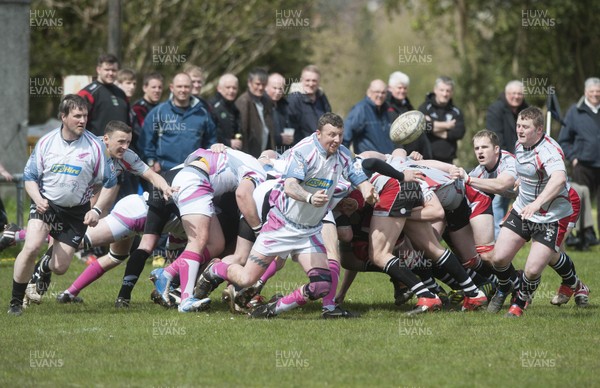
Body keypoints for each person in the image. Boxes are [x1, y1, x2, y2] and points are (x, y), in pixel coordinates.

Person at [196, 113, 379, 319]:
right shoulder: (304, 151)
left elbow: (356, 174)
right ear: (318, 134)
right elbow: (291, 186)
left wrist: (365, 189)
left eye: (340, 135)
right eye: (331, 135)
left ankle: (273, 309)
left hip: (310, 230)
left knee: (321, 285)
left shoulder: (342, 154)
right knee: (247, 278)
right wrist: (309, 198)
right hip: (281, 225)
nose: (336, 140)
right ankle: (217, 269)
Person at [7, 95, 118, 316]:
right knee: (31, 247)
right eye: (77, 116)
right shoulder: (46, 142)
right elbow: (29, 177)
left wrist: (96, 209)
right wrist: (37, 198)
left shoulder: (95, 146)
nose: (82, 120)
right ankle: (15, 303)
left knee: (60, 267)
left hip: (77, 213)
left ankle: (44, 268)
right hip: (46, 206)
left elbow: (110, 183)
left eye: (85, 116)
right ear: (63, 117)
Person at [486, 107, 585, 318]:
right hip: (523, 209)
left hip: (551, 216)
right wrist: (524, 181)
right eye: (518, 125)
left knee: (532, 270)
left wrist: (537, 203)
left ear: (539, 130)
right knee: (499, 258)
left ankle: (519, 304)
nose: (519, 130)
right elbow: (530, 169)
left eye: (525, 127)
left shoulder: (549, 150)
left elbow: (558, 179)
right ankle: (505, 286)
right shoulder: (521, 143)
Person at [151, 146, 266, 312]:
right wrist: (258, 230)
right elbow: (242, 194)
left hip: (190, 178)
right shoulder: (259, 173)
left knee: (216, 244)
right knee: (197, 241)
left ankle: (167, 273)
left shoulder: (241, 157)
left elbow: (196, 156)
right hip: (196, 182)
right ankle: (185, 300)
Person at [139, 73, 217, 173]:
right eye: (179, 86)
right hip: (164, 171)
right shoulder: (158, 112)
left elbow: (211, 141)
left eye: (186, 87)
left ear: (191, 88)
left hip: (195, 170)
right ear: (172, 88)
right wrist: (151, 161)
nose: (183, 90)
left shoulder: (203, 113)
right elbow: (146, 142)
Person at [558, 77, 600, 246]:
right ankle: (585, 237)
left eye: (598, 91)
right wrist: (573, 157)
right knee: (581, 201)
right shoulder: (575, 112)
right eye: (592, 91)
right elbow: (564, 140)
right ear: (585, 92)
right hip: (583, 164)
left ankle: (593, 237)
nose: (596, 94)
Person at [486, 80, 529, 237]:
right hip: (502, 162)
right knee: (499, 200)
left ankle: (521, 235)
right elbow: (495, 138)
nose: (516, 97)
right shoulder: (495, 110)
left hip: (525, 163)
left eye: (519, 94)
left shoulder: (527, 111)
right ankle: (496, 237)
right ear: (506, 94)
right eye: (513, 93)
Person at [78, 54, 130, 137]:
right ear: (98, 70)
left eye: (114, 70)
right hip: (94, 145)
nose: (111, 73)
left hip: (121, 146)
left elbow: (128, 123)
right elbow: (76, 122)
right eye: (107, 70)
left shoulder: (122, 94)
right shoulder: (87, 93)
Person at [418, 76, 465, 164]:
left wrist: (432, 126)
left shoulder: (456, 111)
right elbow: (421, 127)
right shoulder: (425, 107)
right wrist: (447, 125)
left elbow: (459, 132)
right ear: (435, 90)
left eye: (448, 91)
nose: (445, 94)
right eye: (442, 90)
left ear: (452, 93)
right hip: (426, 159)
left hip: (448, 161)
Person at [387, 71, 431, 159]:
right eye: (399, 88)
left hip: (415, 155)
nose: (402, 91)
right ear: (390, 88)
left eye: (405, 88)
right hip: (397, 156)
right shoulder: (384, 106)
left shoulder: (407, 104)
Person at [343, 79, 394, 154]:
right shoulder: (360, 109)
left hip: (387, 161)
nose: (380, 95)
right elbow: (346, 136)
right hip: (369, 163)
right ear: (369, 93)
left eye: (383, 92)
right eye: (377, 92)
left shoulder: (387, 110)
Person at [235, 68, 276, 157]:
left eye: (263, 84)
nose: (260, 87)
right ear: (249, 83)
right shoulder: (243, 101)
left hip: (265, 153)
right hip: (249, 155)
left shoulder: (266, 101)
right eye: (257, 84)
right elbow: (242, 131)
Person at [287, 65, 332, 145]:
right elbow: (289, 127)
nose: (311, 84)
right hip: (301, 148)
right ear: (301, 80)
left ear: (319, 81)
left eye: (314, 80)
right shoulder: (293, 99)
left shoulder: (322, 97)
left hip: (322, 146)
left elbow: (329, 120)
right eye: (307, 80)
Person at [131, 72, 164, 155]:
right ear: (145, 88)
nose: (157, 90)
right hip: (142, 155)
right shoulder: (137, 108)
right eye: (153, 87)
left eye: (160, 87)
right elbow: (143, 133)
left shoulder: (163, 108)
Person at [209, 73, 242, 150]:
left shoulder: (234, 107)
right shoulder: (211, 106)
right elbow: (210, 132)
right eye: (228, 87)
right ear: (219, 88)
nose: (231, 91)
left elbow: (238, 129)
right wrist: (228, 142)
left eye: (234, 88)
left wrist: (238, 139)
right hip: (215, 150)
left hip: (231, 151)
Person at [265, 72, 294, 153]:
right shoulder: (260, 106)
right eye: (274, 88)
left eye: (280, 89)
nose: (278, 92)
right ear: (266, 87)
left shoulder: (285, 105)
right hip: (265, 153)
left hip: (283, 152)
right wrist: (279, 139)